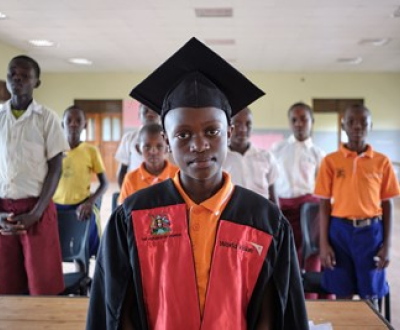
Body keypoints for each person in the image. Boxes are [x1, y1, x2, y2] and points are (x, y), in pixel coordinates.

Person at [87, 38, 308, 330]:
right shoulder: (134, 216)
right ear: (166, 141)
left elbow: (274, 311)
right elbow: (117, 308)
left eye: (211, 131)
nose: (199, 145)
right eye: (183, 135)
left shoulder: (264, 220)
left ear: (228, 133)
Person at [315, 104, 400, 304]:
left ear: (371, 126)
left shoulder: (382, 162)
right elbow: (324, 204)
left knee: (370, 295)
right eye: (351, 122)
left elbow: (387, 204)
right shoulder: (331, 161)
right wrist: (324, 243)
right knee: (342, 292)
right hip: (339, 233)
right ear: (343, 125)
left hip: (371, 233)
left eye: (363, 122)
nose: (357, 126)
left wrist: (387, 245)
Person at [0, 55, 69, 295]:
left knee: (42, 284)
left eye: (25, 75)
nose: (17, 78)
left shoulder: (47, 118)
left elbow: (55, 167)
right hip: (4, 211)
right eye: (12, 73)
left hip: (36, 209)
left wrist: (36, 213)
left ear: (36, 82)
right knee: (6, 283)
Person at [271, 102, 325, 296]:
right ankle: (288, 294)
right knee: (286, 251)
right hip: (283, 208)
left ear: (312, 122)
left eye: (304, 119)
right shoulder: (277, 149)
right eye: (294, 119)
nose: (299, 123)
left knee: (310, 252)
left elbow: (322, 188)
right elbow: (272, 180)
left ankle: (309, 298)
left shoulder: (318, 154)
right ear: (289, 123)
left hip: (310, 210)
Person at [53, 105, 109, 257]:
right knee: (52, 246)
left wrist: (89, 202)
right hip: (54, 206)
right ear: (62, 124)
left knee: (87, 241)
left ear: (85, 124)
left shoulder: (91, 151)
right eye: (69, 120)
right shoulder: (53, 149)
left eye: (78, 120)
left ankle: (85, 271)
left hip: (81, 205)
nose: (73, 124)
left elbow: (105, 183)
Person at [223, 107, 279, 203]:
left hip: (262, 213)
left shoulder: (266, 157)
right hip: (232, 214)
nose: (243, 129)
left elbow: (273, 196)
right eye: (237, 124)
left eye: (248, 124)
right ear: (228, 127)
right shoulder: (221, 159)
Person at [119, 123, 178, 203]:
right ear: (138, 149)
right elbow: (124, 211)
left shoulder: (178, 175)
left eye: (159, 146)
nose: (153, 152)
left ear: (167, 147)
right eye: (147, 146)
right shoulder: (131, 179)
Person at [115, 104, 161, 187]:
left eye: (154, 110)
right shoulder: (129, 138)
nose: (150, 113)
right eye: (145, 110)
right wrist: (124, 194)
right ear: (139, 114)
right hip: (135, 189)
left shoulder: (169, 137)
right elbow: (122, 170)